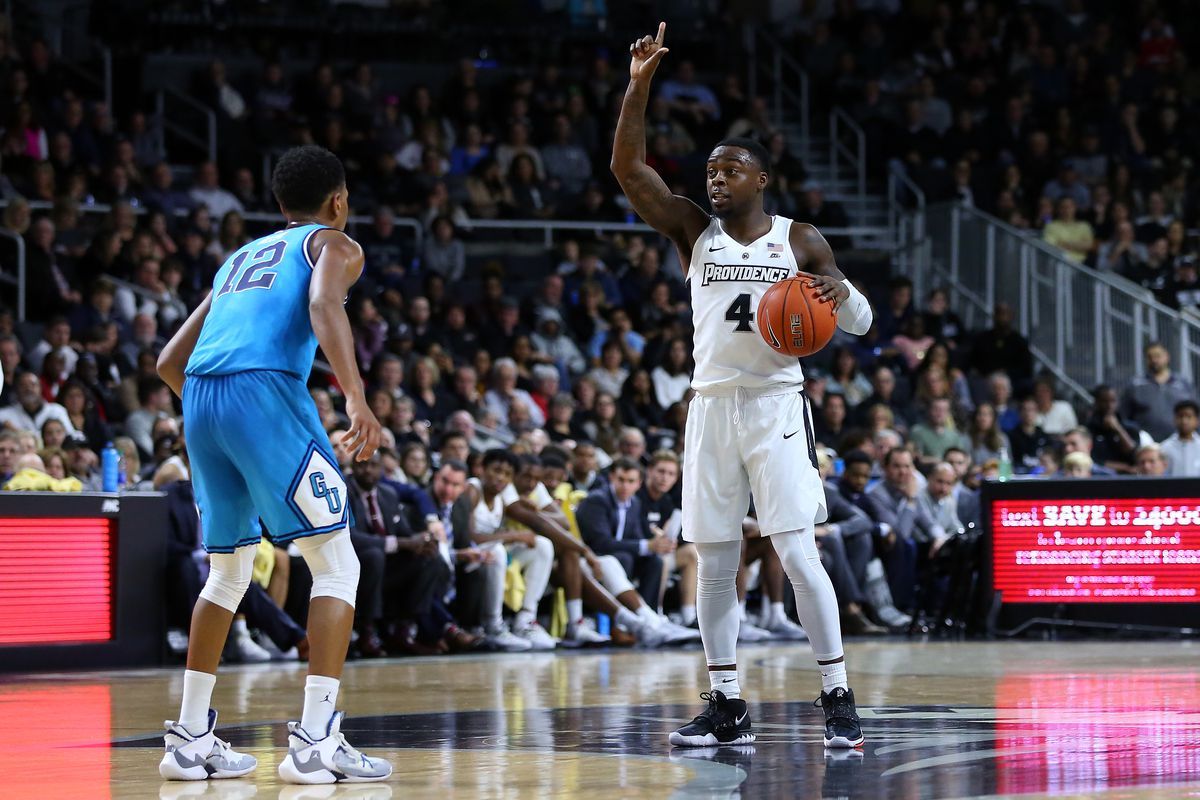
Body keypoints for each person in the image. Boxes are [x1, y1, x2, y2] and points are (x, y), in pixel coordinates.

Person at [611, 23, 872, 749]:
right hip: (711, 406)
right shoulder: (694, 232)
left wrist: (837, 290)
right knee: (716, 560)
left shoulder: (800, 238)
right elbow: (630, 171)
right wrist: (639, 88)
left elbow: (861, 321)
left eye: (730, 170)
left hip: (777, 406)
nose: (715, 179)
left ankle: (837, 692)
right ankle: (726, 703)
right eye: (710, 172)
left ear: (761, 179)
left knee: (796, 553)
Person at [155, 146, 390, 784]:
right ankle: (315, 742)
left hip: (201, 398)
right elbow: (322, 307)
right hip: (261, 392)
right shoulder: (334, 245)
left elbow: (169, 363)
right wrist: (356, 397)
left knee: (226, 573)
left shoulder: (237, 260)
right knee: (337, 562)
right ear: (338, 201)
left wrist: (221, 420)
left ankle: (189, 741)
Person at [1120, 342, 1196, 442]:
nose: (1154, 360)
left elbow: (1194, 412)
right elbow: (1124, 416)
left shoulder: (1183, 384)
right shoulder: (1135, 385)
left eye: (1157, 356)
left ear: (1167, 356)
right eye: (1150, 357)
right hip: (1146, 446)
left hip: (1178, 443)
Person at [1159, 400, 1200, 477]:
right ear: (1174, 419)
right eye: (1180, 416)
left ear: (1197, 421)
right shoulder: (1164, 448)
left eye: (1189, 416)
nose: (1184, 421)